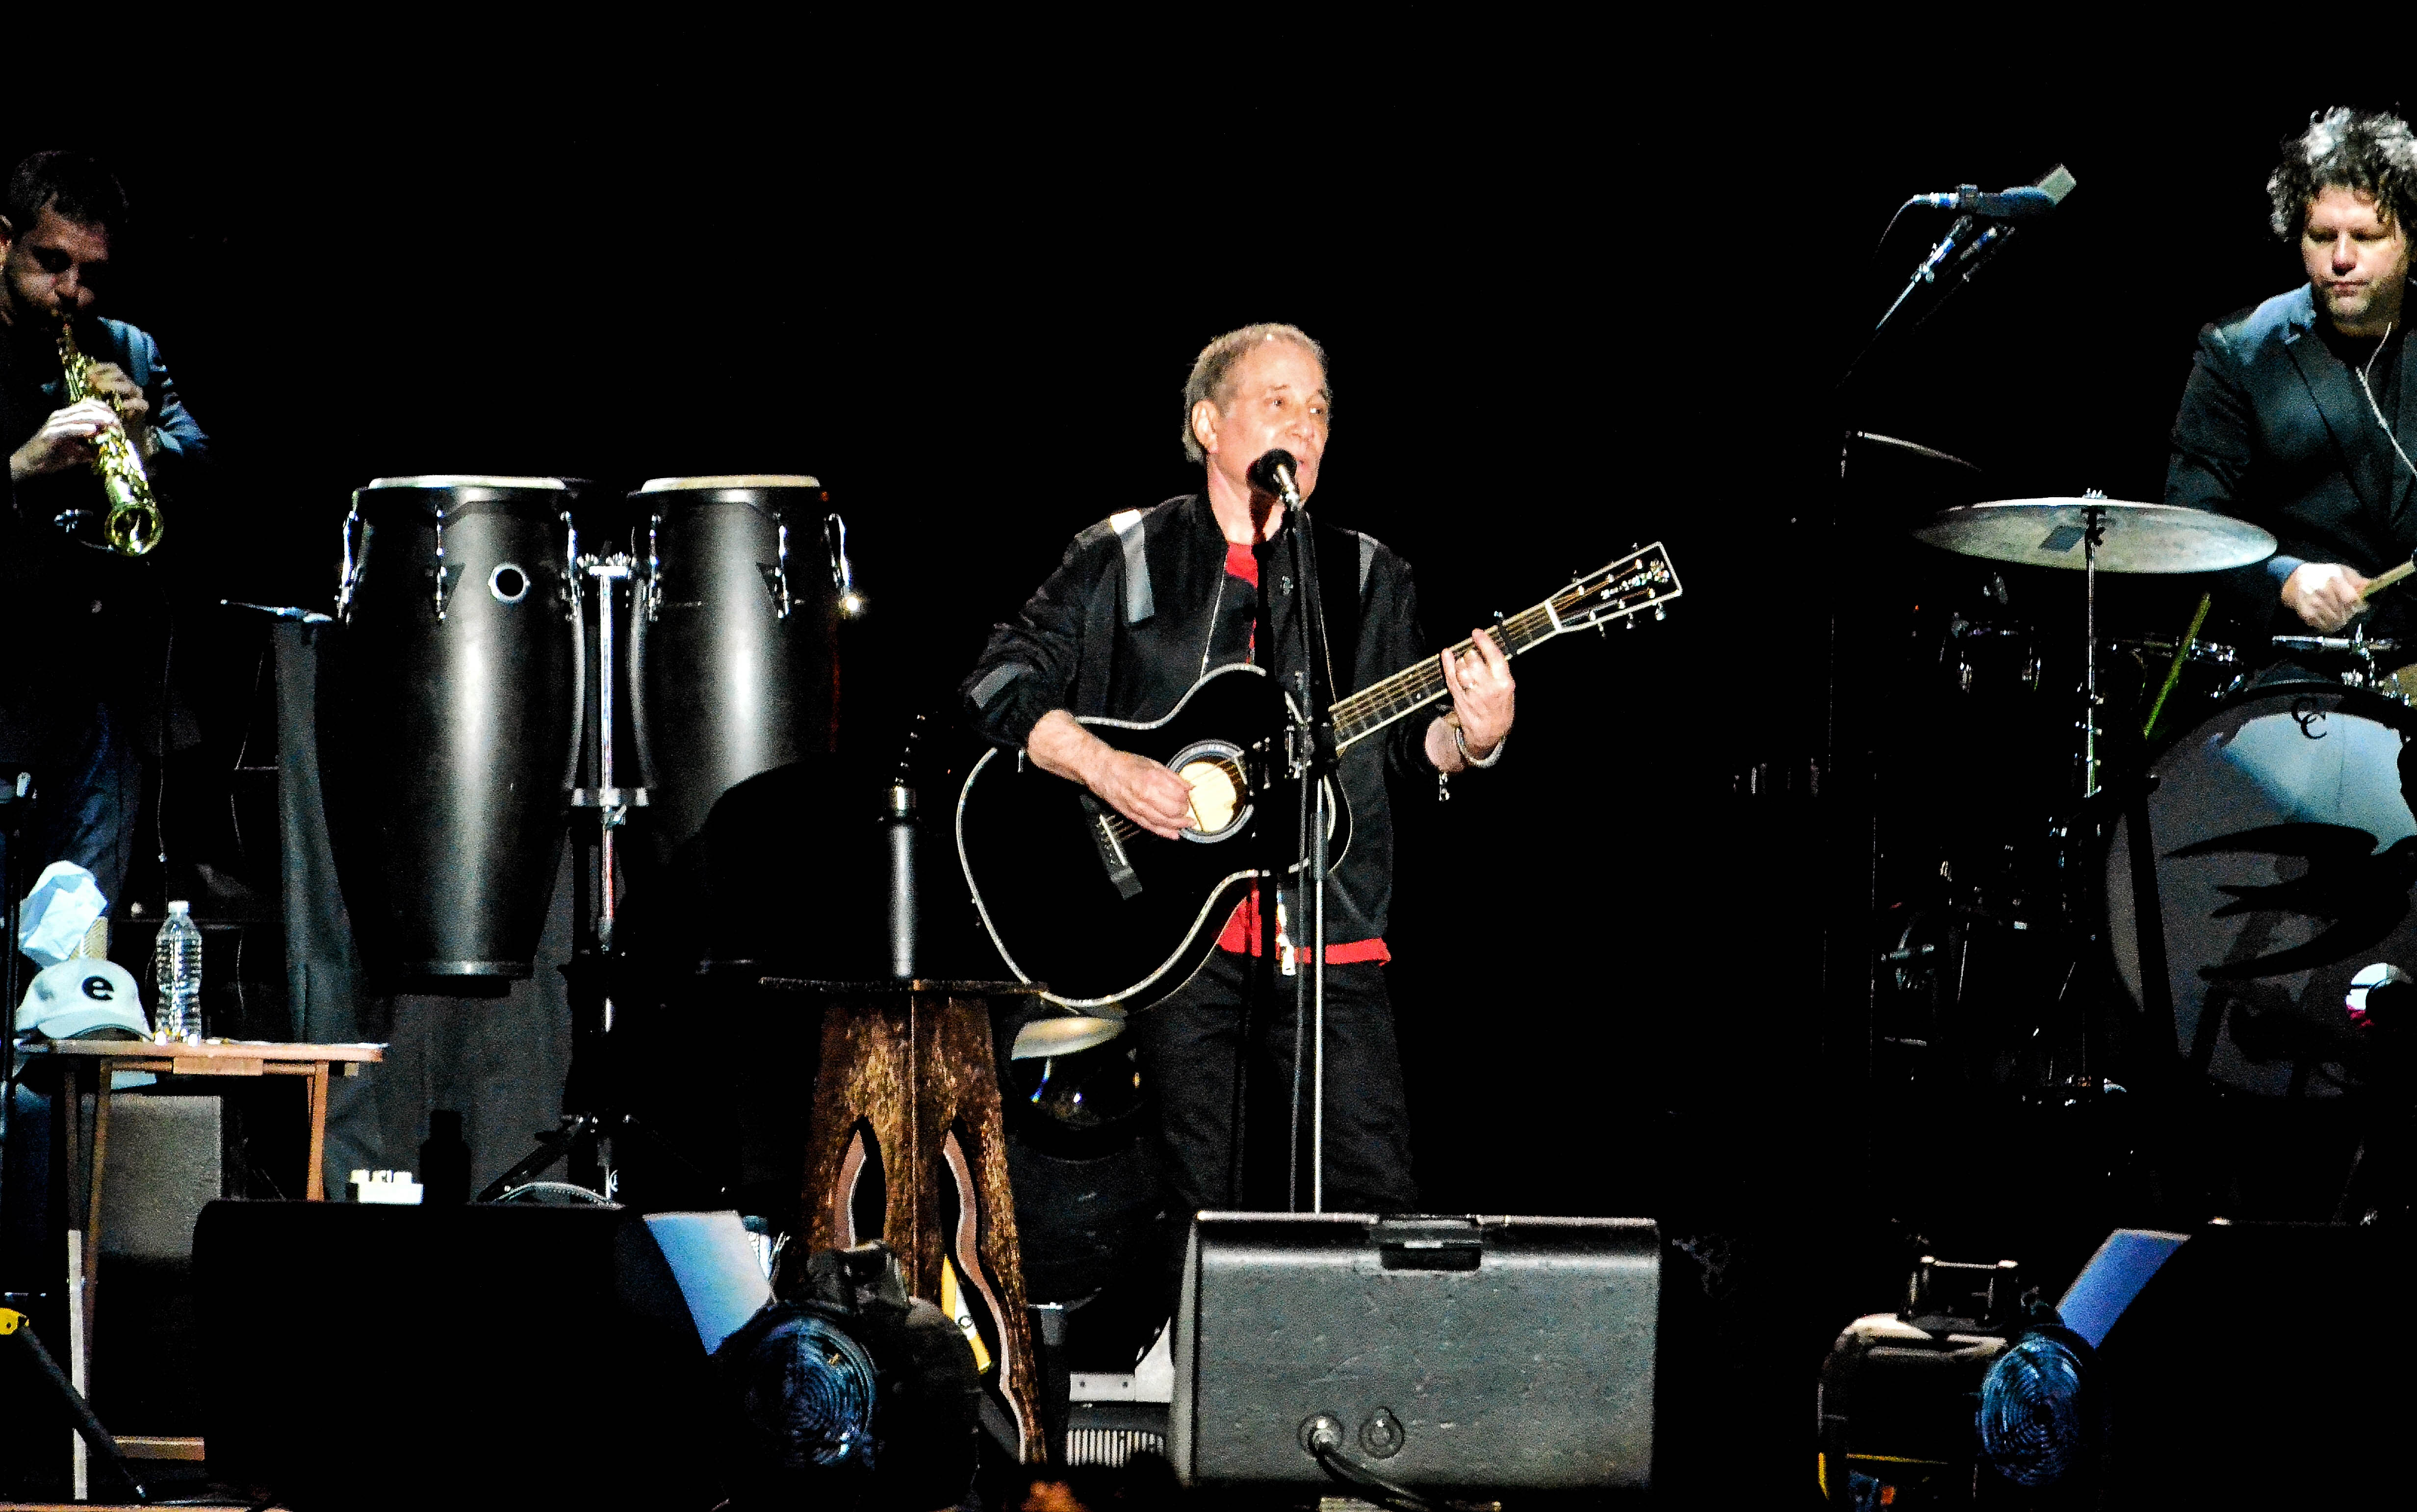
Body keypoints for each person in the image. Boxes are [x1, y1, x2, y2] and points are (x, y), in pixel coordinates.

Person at [959, 323, 1515, 1258]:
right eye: (1277, 402)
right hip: (1168, 941)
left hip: (1328, 936)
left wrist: (1474, 736)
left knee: (1376, 1208)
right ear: (1208, 425)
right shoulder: (1124, 553)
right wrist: (1105, 766)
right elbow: (997, 682)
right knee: (1199, 1216)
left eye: (1319, 410)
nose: (1304, 424)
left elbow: (1402, 753)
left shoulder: (1368, 575)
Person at [0, 151, 208, 910]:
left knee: (81, 930)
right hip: (7, 670)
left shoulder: (130, 350)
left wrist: (145, 442)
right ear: (3, 241)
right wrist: (25, 461)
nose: (72, 293)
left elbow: (208, 480)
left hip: (101, 686)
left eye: (91, 274)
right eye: (52, 263)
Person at [2167, 107, 2415, 642]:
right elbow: (2191, 520)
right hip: (2301, 665)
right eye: (2322, 236)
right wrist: (2285, 580)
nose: (2341, 259)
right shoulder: (2240, 351)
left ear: (2412, 241)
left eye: (2366, 236)